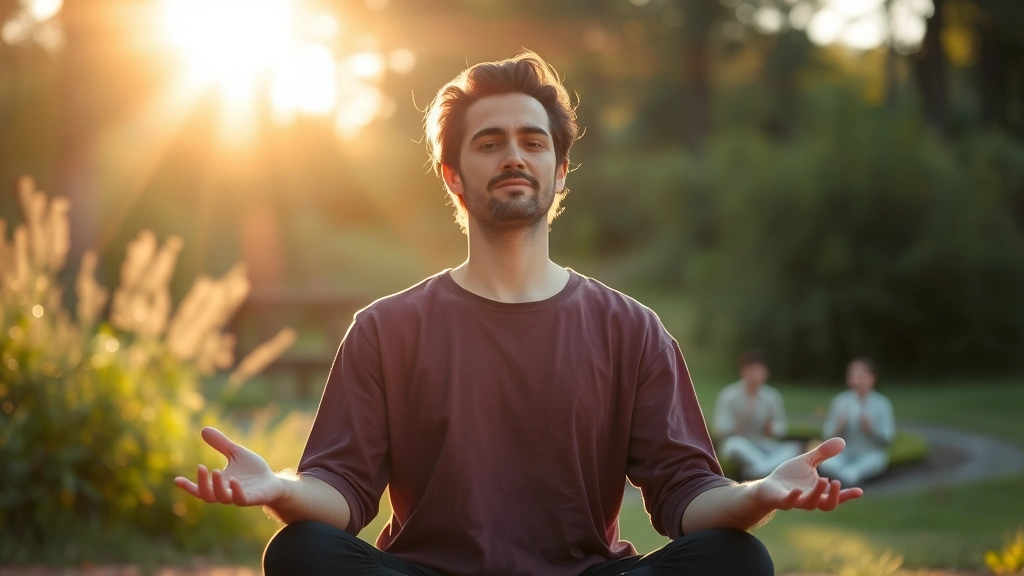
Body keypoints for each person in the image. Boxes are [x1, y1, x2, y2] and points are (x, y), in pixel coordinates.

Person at [175, 51, 863, 576]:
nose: (514, 156)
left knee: (738, 561)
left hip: (585, 574)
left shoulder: (630, 330)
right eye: (490, 141)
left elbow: (686, 497)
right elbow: (341, 491)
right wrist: (278, 489)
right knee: (300, 552)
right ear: (453, 175)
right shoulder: (387, 330)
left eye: (533, 142)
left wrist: (760, 493)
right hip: (432, 573)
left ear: (561, 171)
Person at [713, 350, 801, 480]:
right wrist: (735, 426)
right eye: (751, 371)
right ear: (742, 371)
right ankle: (769, 471)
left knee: (792, 449)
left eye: (758, 371)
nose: (754, 375)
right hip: (738, 443)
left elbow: (780, 427)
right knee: (734, 445)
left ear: (766, 373)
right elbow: (719, 428)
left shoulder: (772, 397)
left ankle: (757, 471)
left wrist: (772, 428)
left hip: (762, 443)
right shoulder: (729, 396)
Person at [817, 357, 896, 487]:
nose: (857, 379)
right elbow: (826, 434)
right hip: (845, 453)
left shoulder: (883, 404)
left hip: (870, 454)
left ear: (872, 378)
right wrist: (839, 426)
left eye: (861, 375)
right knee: (827, 464)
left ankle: (845, 477)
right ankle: (842, 477)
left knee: (871, 464)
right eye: (853, 375)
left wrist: (871, 429)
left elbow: (888, 439)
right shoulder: (840, 401)